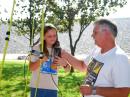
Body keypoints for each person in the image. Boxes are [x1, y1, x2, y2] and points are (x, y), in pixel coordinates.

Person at [54, 19, 130, 97]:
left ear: (106, 33)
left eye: (95, 32)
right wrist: (65, 54)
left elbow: (123, 92)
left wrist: (93, 90)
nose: (92, 35)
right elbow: (82, 66)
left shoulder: (120, 58)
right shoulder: (96, 50)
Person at [29, 24, 70, 97]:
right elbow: (31, 68)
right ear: (44, 37)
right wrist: (41, 60)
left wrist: (65, 64)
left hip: (52, 88)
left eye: (54, 35)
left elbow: (68, 69)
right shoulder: (36, 48)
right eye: (49, 36)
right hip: (37, 87)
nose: (53, 38)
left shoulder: (59, 50)